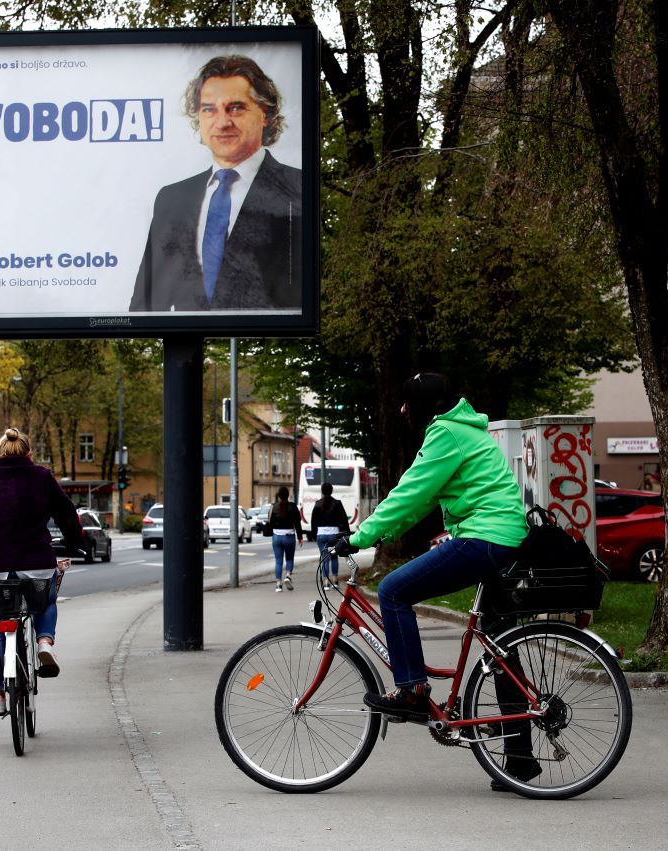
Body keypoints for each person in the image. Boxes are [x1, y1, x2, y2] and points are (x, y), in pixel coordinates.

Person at [333, 373, 527, 727]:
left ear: (427, 406)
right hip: (503, 537)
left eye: (409, 402)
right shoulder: (464, 429)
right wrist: (382, 533)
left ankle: (412, 692)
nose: (403, 409)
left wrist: (360, 536)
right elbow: (422, 502)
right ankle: (519, 760)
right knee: (500, 647)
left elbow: (411, 491)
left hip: (484, 537)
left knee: (392, 591)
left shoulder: (445, 432)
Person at [128, 54, 301, 312]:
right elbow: (146, 306)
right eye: (209, 109)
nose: (222, 122)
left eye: (236, 107)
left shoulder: (297, 188)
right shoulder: (172, 199)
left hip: (263, 349)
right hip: (194, 350)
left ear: (266, 114)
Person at [0, 428, 82, 717]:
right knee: (46, 599)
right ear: (29, 453)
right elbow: (66, 512)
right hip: (36, 562)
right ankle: (44, 642)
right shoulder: (41, 477)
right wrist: (75, 542)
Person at [310, 481, 350, 589]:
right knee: (334, 557)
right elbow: (344, 520)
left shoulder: (318, 504)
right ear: (331, 491)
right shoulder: (337, 503)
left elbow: (313, 521)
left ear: (322, 491)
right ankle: (335, 581)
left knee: (325, 558)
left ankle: (326, 582)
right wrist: (346, 534)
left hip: (321, 534)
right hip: (334, 534)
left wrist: (314, 535)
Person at [266, 486, 303, 591]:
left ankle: (278, 584)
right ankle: (287, 576)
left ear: (279, 496)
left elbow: (270, 522)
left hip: (276, 537)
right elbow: (297, 523)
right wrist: (300, 537)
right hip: (289, 536)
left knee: (278, 561)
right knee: (290, 559)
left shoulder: (274, 507)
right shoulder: (293, 507)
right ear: (288, 496)